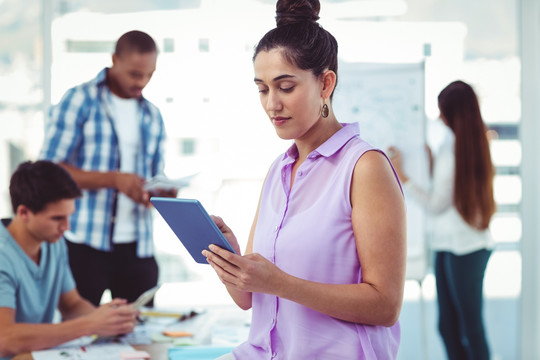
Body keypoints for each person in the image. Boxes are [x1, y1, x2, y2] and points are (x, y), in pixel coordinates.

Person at [202, 0, 407, 358]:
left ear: (325, 83)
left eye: (285, 87)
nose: (271, 105)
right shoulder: (279, 170)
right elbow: (250, 299)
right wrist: (230, 258)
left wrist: (280, 283)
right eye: (263, 89)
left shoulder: (364, 167)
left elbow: (385, 306)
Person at [39, 30, 177, 306]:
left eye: (149, 75)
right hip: (85, 244)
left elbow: (153, 175)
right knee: (78, 334)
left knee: (140, 336)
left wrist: (158, 192)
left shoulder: (152, 114)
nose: (142, 82)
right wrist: (114, 180)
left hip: (138, 247)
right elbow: (48, 170)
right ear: (114, 59)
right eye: (135, 74)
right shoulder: (79, 100)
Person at [389, 80, 495, 360]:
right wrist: (432, 163)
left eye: (442, 111)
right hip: (455, 245)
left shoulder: (456, 147)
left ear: (452, 112)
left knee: (468, 328)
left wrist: (404, 178)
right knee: (450, 326)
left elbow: (436, 205)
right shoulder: (463, 142)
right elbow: (451, 191)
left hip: (464, 248)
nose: (439, 117)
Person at [0, 161, 138, 359]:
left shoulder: (53, 243)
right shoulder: (3, 255)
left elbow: (71, 304)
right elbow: (4, 339)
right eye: (57, 218)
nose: (67, 227)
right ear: (23, 213)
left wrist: (109, 320)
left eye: (69, 216)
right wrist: (91, 324)